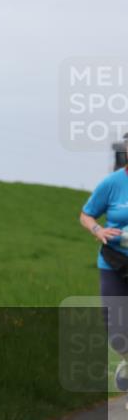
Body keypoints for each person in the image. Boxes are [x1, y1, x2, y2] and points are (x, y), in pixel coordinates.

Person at [79, 134, 128, 391]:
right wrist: (98, 230)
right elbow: (86, 214)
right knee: (117, 329)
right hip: (114, 262)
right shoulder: (112, 183)